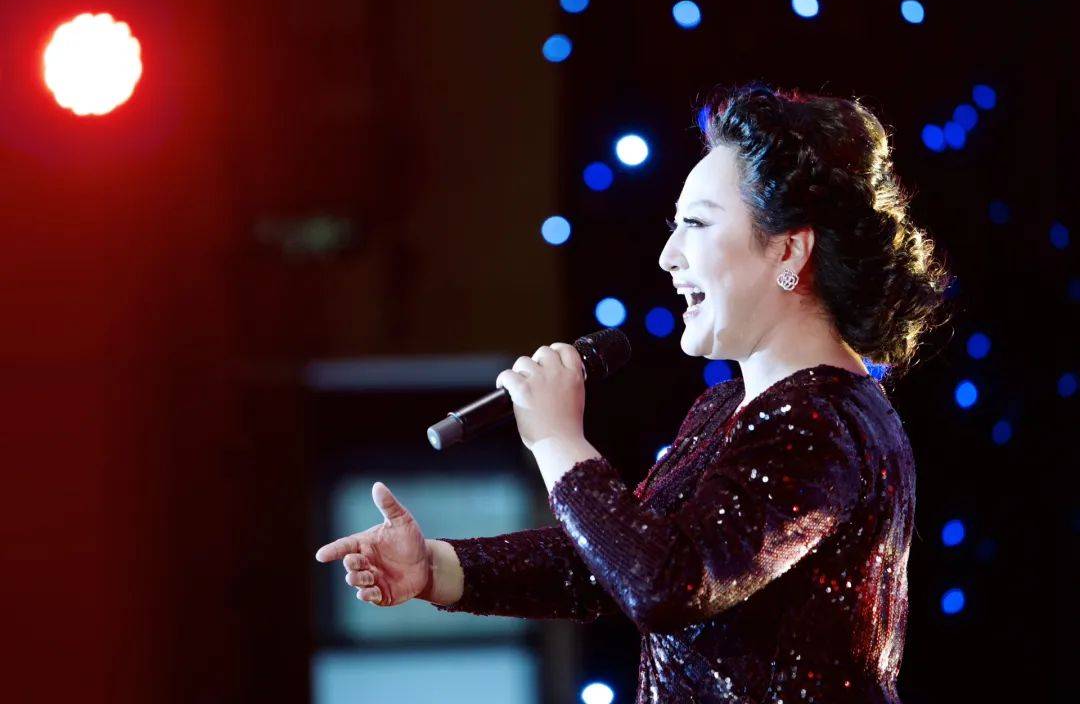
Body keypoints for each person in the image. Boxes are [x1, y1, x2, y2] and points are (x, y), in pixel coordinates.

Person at [314, 82, 953, 704]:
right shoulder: (730, 409)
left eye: (696, 224)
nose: (669, 256)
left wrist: (556, 441)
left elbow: (667, 583)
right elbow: (609, 563)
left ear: (789, 250)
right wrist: (436, 568)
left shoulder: (819, 422)